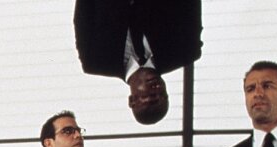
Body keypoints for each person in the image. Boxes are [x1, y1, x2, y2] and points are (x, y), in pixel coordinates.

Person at [73, 0, 202, 124]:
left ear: (132, 100)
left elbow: (83, 15)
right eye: (163, 93)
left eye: (151, 96)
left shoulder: (94, 61)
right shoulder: (186, 50)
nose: (157, 88)